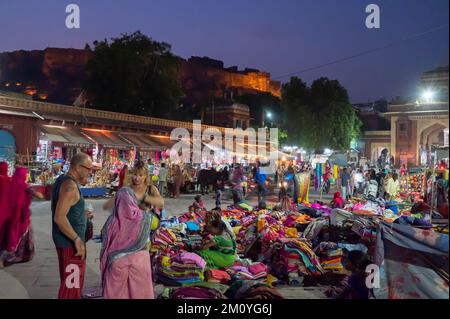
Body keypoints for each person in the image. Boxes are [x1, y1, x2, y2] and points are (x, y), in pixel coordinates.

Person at [100, 162, 161, 299]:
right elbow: (111, 207)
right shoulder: (125, 191)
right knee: (128, 280)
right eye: (135, 174)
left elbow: (160, 204)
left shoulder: (150, 189)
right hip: (128, 239)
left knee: (136, 279)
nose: (137, 178)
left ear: (146, 177)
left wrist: (144, 199)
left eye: (140, 175)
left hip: (139, 240)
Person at [52, 152, 92, 299]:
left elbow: (66, 210)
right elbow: (59, 217)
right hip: (71, 245)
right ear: (78, 167)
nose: (90, 173)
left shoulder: (63, 180)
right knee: (71, 288)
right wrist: (77, 240)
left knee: (70, 283)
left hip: (66, 242)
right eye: (88, 169)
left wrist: (81, 214)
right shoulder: (70, 185)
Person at [1, 166, 43, 267]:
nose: (27, 175)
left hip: (10, 215)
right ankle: (17, 255)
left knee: (11, 235)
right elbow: (40, 196)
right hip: (21, 217)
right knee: (23, 235)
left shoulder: (10, 183)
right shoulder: (24, 186)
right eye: (26, 173)